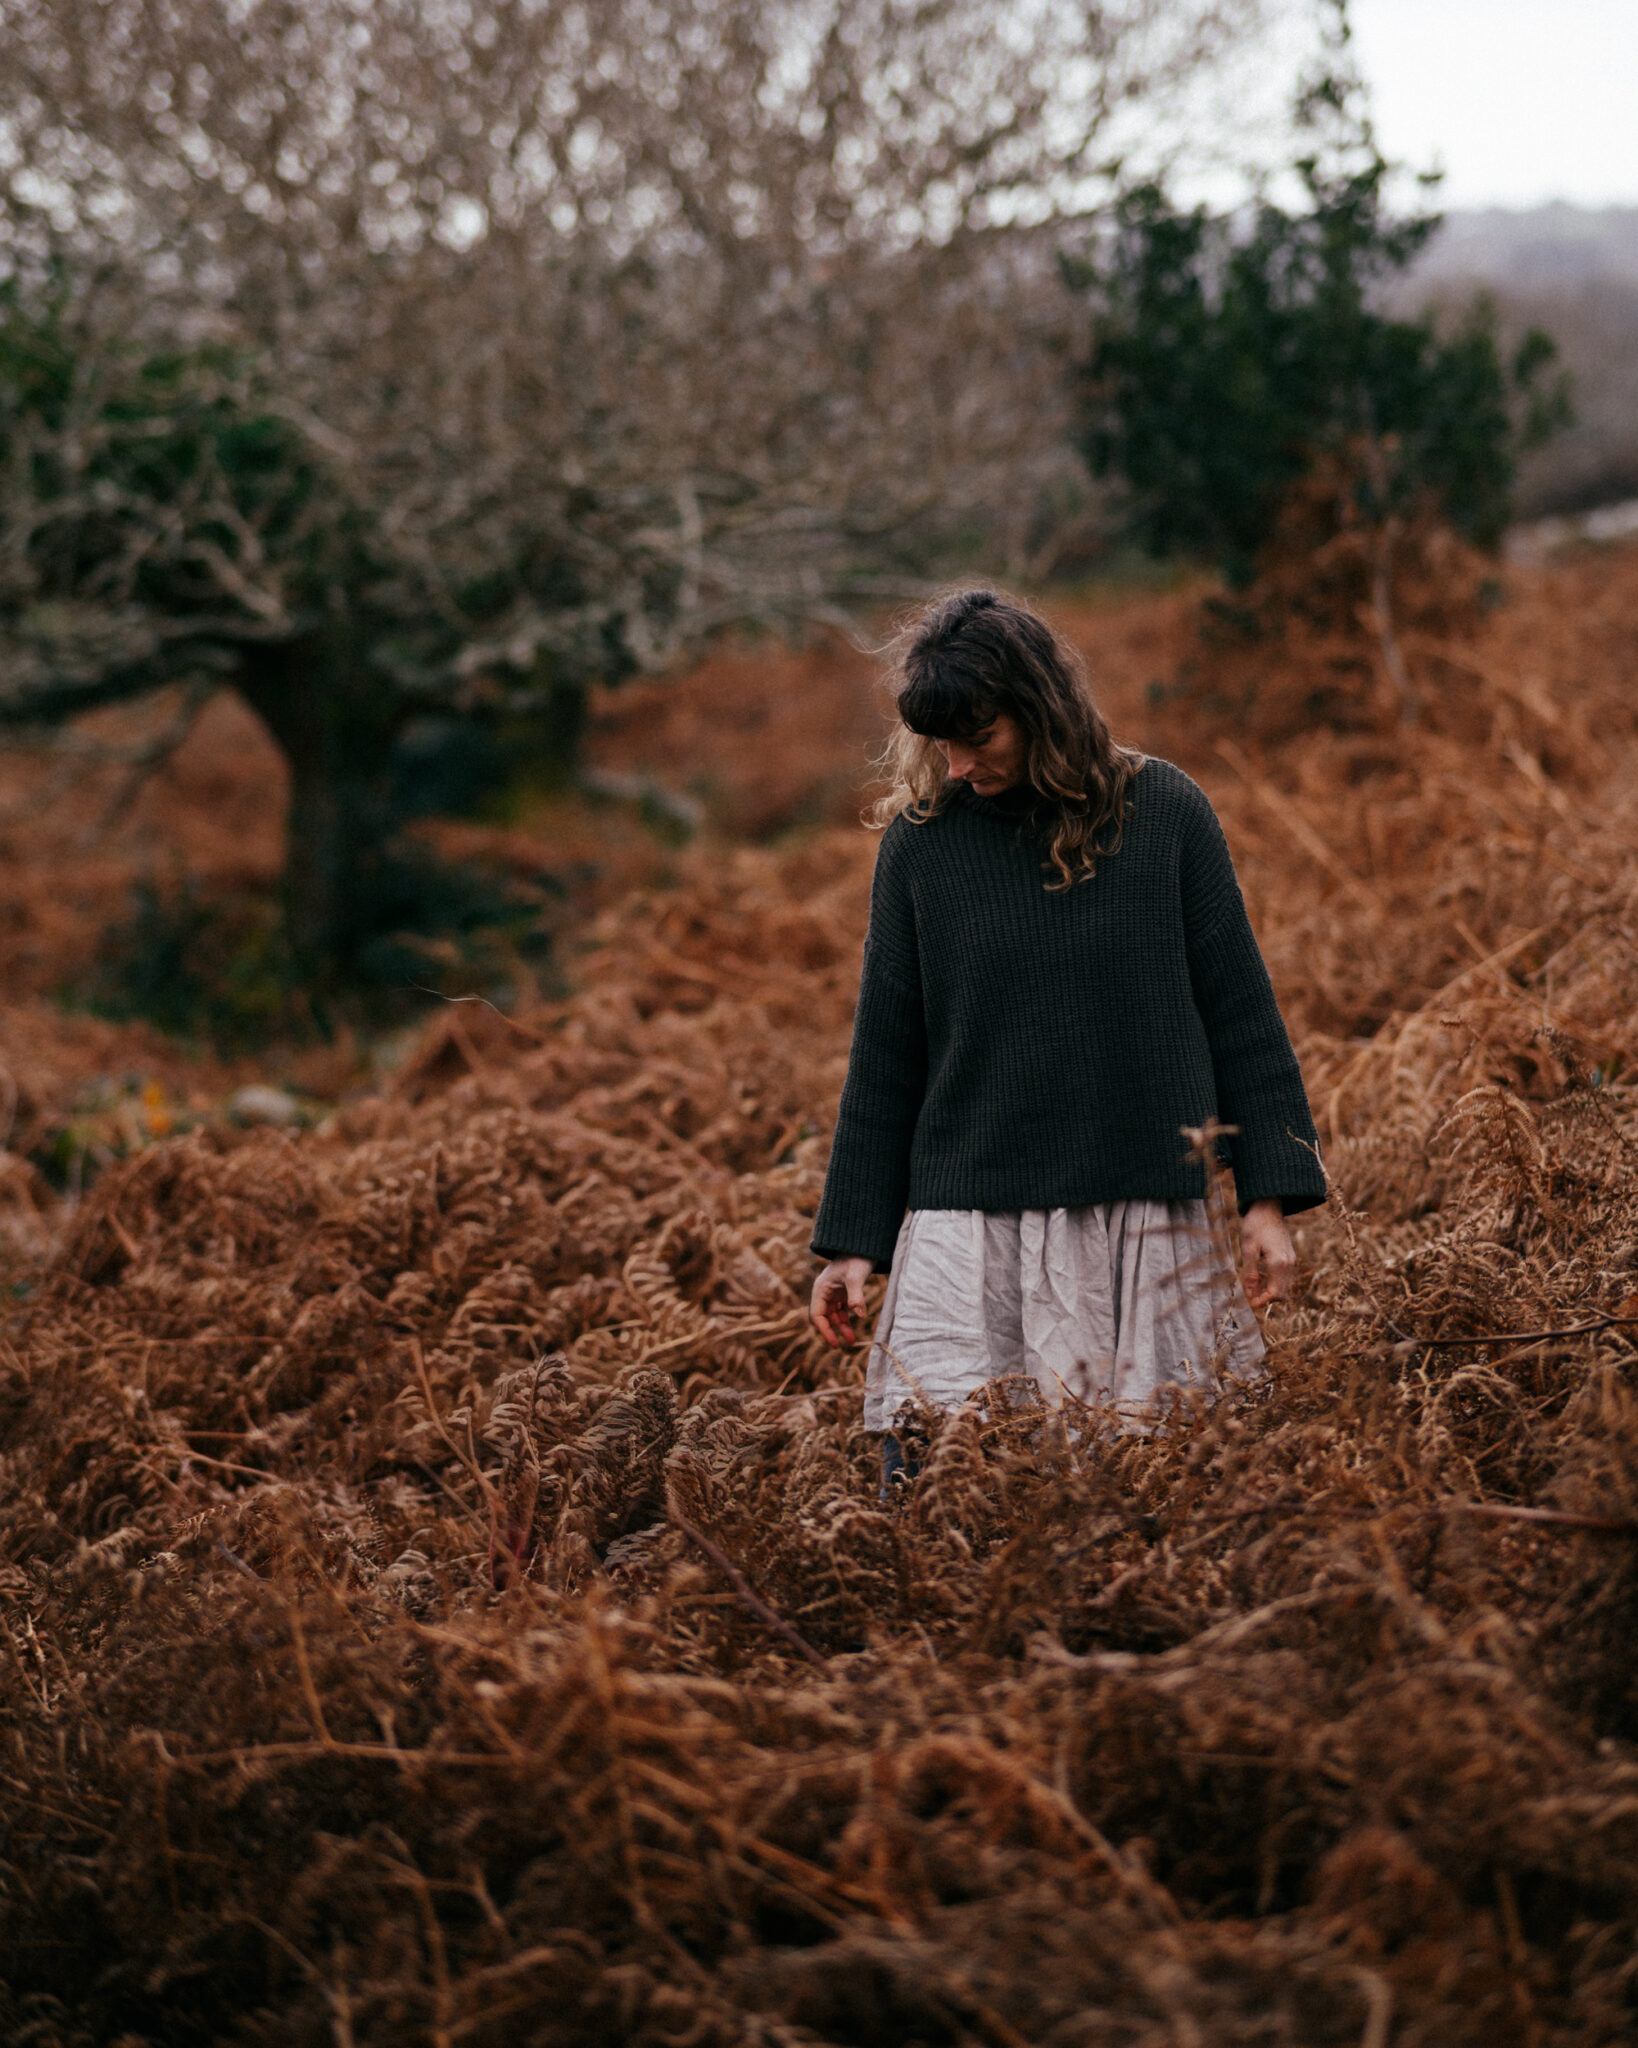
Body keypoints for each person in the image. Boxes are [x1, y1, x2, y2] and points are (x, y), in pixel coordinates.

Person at [808, 588, 1325, 1467]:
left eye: (980, 737)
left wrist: (1267, 1201)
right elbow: (886, 1054)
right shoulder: (920, 849)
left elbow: (1240, 1012)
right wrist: (852, 1245)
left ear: (1041, 709)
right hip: (967, 1219)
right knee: (939, 1474)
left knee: (1163, 1481)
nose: (960, 764)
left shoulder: (1165, 813)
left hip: (1144, 1213)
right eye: (943, 744)